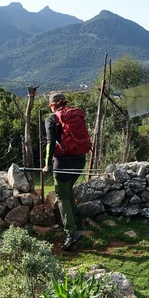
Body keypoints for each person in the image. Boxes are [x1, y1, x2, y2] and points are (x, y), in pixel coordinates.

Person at [43, 92, 89, 250]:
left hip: (63, 162)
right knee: (68, 190)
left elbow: (50, 143)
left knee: (62, 196)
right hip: (80, 160)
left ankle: (71, 232)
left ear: (52, 105)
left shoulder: (52, 118)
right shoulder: (75, 115)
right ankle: (76, 222)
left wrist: (47, 164)